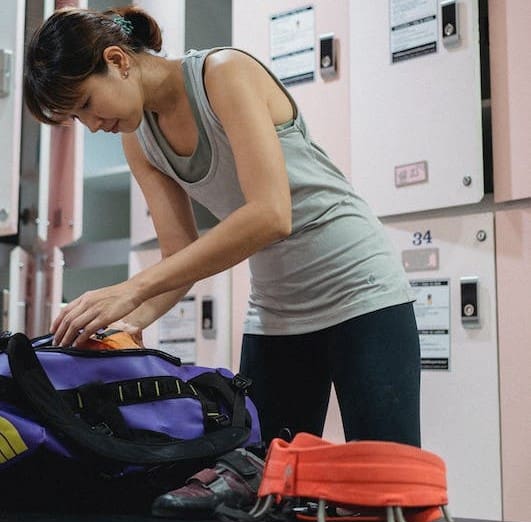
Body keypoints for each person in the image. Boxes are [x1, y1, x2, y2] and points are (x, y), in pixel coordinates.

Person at [24, 6, 421, 451]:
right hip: (277, 310)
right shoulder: (138, 138)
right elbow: (180, 256)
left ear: (117, 61)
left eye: (86, 105)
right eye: (78, 119)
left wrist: (132, 290)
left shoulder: (224, 73)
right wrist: (129, 321)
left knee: (387, 483)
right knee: (263, 484)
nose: (92, 126)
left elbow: (271, 214)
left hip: (361, 290)